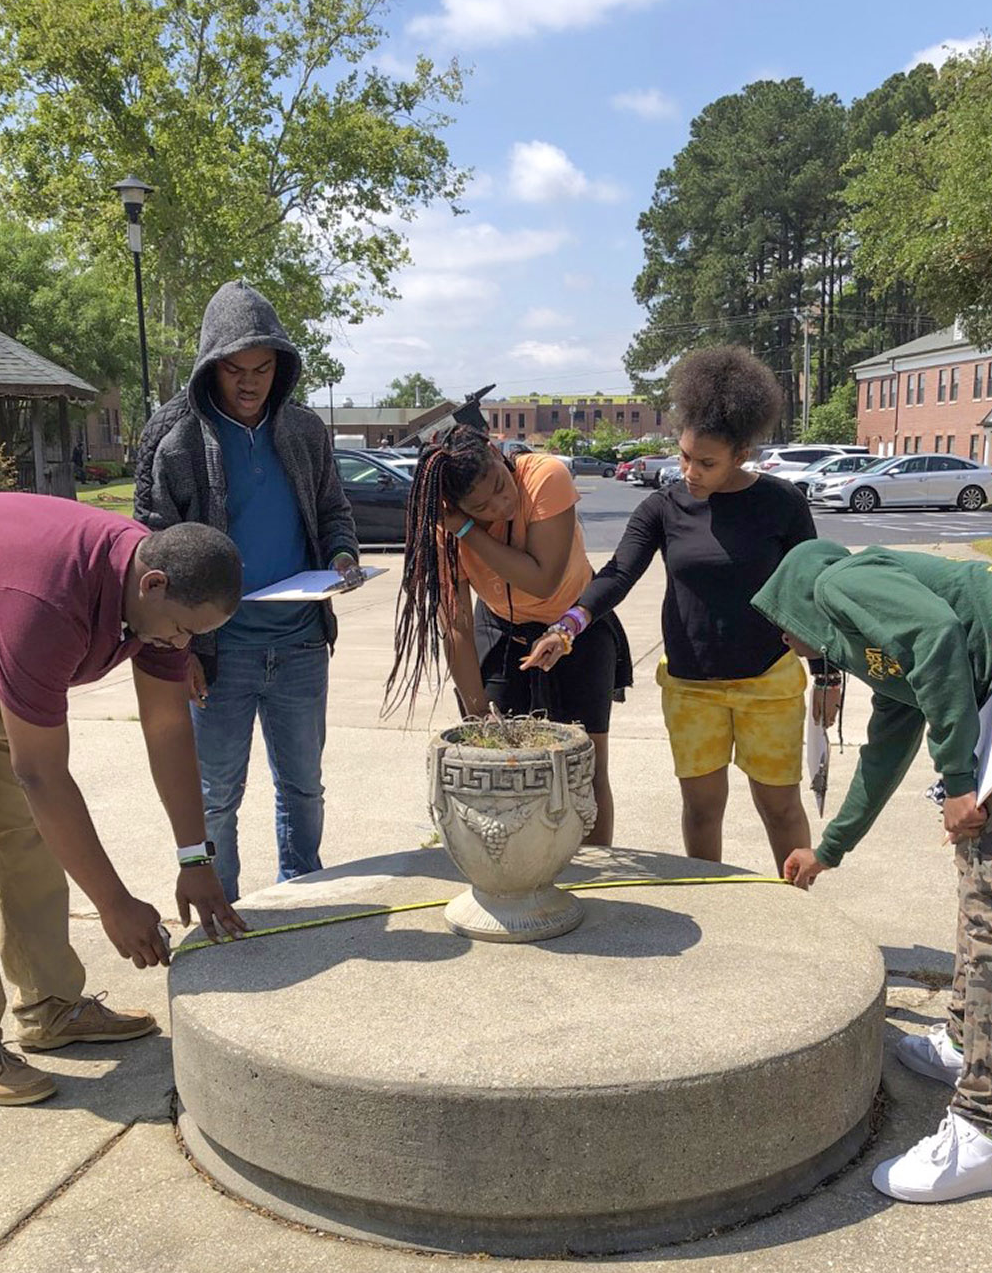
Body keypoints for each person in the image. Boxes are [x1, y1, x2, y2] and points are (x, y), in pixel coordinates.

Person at [752, 540, 992, 1203]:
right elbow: (886, 747)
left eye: (780, 624)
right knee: (981, 866)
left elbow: (939, 637)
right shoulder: (882, 647)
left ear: (797, 599)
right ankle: (965, 1038)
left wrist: (958, 777)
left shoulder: (842, 582)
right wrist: (830, 848)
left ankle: (983, 1130)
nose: (787, 642)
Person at [0, 493, 246, 1107]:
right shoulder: (42, 603)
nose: (182, 643)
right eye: (185, 630)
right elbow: (41, 774)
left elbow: (167, 729)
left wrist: (195, 858)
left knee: (25, 843)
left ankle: (50, 1008)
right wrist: (114, 904)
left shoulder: (154, 594)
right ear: (154, 582)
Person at [523, 346, 839, 868]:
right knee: (701, 807)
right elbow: (619, 574)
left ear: (742, 453)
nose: (689, 471)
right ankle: (710, 893)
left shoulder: (782, 504)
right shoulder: (663, 507)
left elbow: (812, 591)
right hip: (691, 685)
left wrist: (828, 676)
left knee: (779, 806)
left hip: (769, 682)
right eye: (685, 456)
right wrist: (568, 626)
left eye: (706, 462)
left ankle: (798, 907)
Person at [136, 279, 362, 902]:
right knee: (215, 797)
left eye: (263, 368)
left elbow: (334, 512)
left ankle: (303, 896)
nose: (250, 382)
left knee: (303, 787)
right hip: (216, 656)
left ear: (280, 368)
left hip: (299, 646)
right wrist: (174, 654)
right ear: (211, 366)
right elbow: (149, 550)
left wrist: (342, 554)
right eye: (235, 368)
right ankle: (224, 910)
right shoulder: (175, 437)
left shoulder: (306, 431)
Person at [385, 425, 631, 844]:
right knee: (500, 766)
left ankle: (591, 875)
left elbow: (543, 581)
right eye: (480, 506)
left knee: (585, 770)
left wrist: (470, 530)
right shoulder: (443, 528)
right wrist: (479, 712)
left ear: (497, 454)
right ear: (452, 506)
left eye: (500, 486)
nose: (502, 504)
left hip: (576, 627)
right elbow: (457, 625)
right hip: (501, 630)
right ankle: (517, 872)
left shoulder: (545, 477)